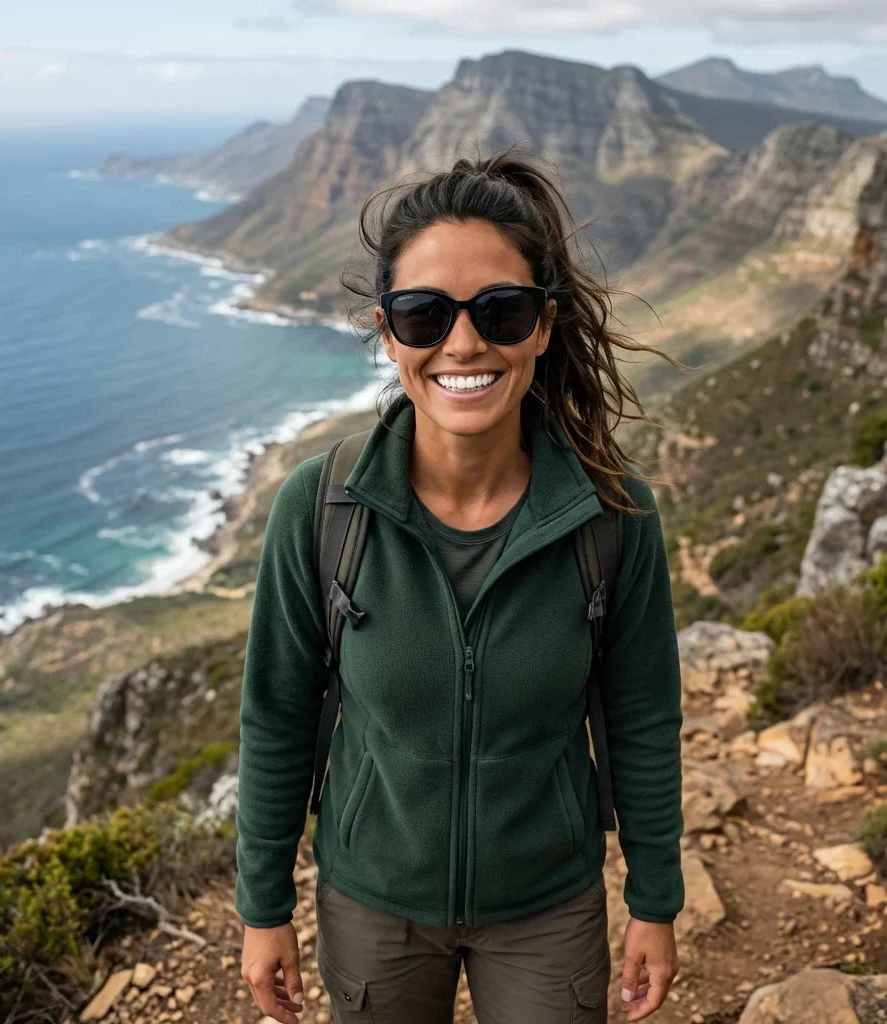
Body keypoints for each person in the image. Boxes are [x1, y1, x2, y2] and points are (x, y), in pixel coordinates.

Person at [236, 145, 685, 1024]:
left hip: (548, 907)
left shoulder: (611, 515)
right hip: (372, 905)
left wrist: (656, 901)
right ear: (386, 329)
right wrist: (263, 911)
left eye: (502, 310)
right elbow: (276, 715)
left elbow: (643, 716)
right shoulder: (322, 509)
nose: (464, 342)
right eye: (424, 314)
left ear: (544, 325)